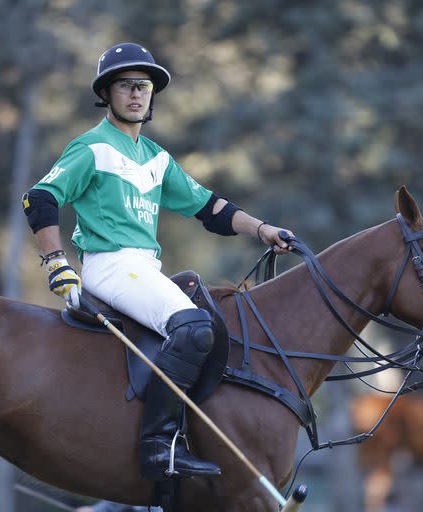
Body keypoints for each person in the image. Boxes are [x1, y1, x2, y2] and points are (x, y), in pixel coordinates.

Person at [22, 42, 294, 482]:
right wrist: (56, 262)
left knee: (208, 324)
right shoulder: (91, 147)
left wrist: (263, 229)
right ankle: (157, 446)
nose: (136, 95)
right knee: (193, 327)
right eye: (126, 86)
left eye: (144, 88)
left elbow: (211, 208)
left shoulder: (156, 158)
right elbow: (40, 198)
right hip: (109, 264)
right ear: (107, 94)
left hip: (144, 268)